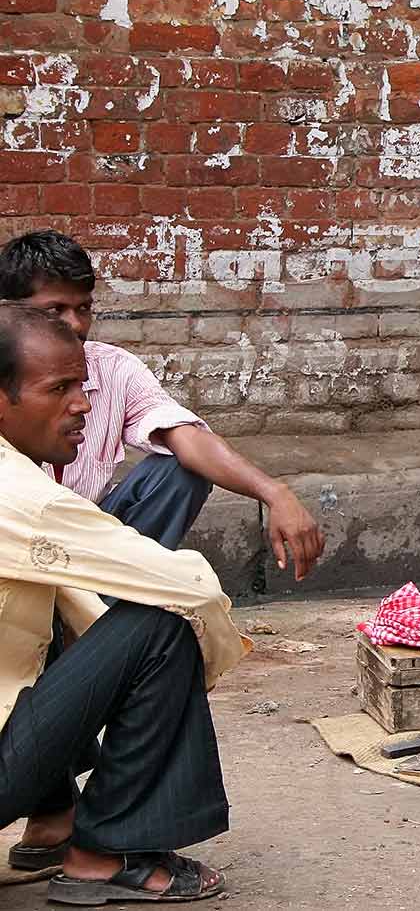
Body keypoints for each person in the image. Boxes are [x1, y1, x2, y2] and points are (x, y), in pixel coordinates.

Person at [0, 303, 246, 903]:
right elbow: (195, 593)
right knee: (165, 625)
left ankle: (63, 821)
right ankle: (108, 851)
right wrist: (203, 664)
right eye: (59, 388)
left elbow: (80, 602)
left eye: (81, 386)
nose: (82, 403)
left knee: (88, 623)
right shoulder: (22, 497)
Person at [0, 230, 323, 578]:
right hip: (15, 555)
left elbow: (184, 434)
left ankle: (114, 604)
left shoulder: (112, 367)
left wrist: (275, 492)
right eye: (55, 310)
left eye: (83, 308)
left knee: (182, 469)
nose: (76, 324)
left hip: (86, 551)